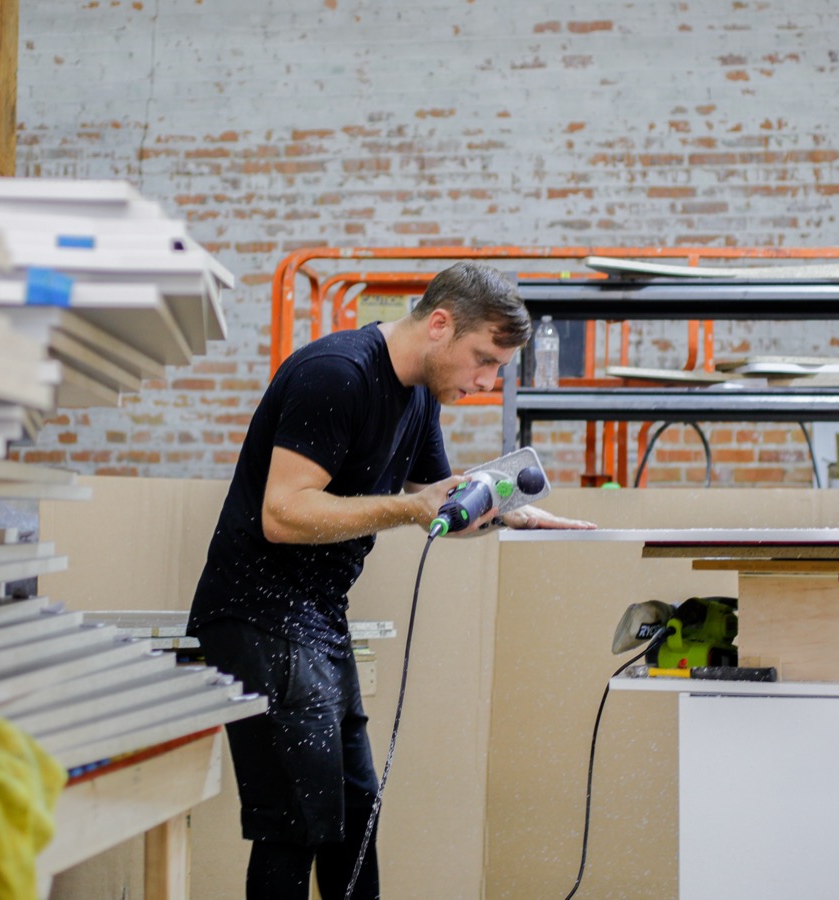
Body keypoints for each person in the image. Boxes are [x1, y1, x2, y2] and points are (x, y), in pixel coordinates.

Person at [187, 260, 594, 899]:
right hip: (256, 613)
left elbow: (436, 502)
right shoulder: (336, 374)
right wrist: (414, 507)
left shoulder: (418, 397)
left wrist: (506, 514)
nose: (488, 381)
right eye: (484, 359)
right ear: (439, 324)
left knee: (353, 813)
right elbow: (282, 513)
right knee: (295, 823)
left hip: (315, 616)